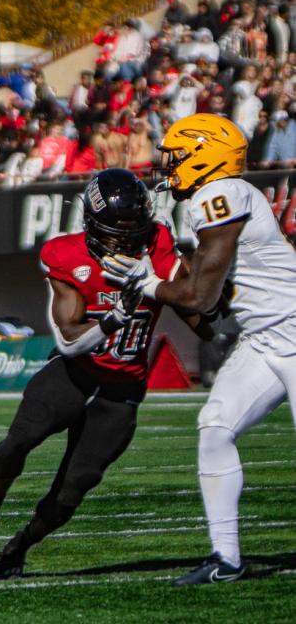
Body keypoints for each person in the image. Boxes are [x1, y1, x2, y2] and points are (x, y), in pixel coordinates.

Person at [0, 170, 211, 578]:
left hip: (122, 390)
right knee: (13, 446)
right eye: (114, 233)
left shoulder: (159, 243)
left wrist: (223, 313)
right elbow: (70, 340)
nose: (126, 243)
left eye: (133, 232)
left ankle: (20, 545)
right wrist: (113, 320)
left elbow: (196, 310)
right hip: (75, 372)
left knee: (71, 493)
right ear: (90, 224)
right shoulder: (66, 255)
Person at [101, 113, 296, 584]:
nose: (167, 165)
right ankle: (225, 559)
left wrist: (146, 284)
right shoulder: (215, 200)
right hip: (267, 338)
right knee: (215, 425)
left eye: (176, 155)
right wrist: (158, 266)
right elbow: (208, 320)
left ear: (202, 155)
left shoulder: (220, 194)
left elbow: (199, 299)